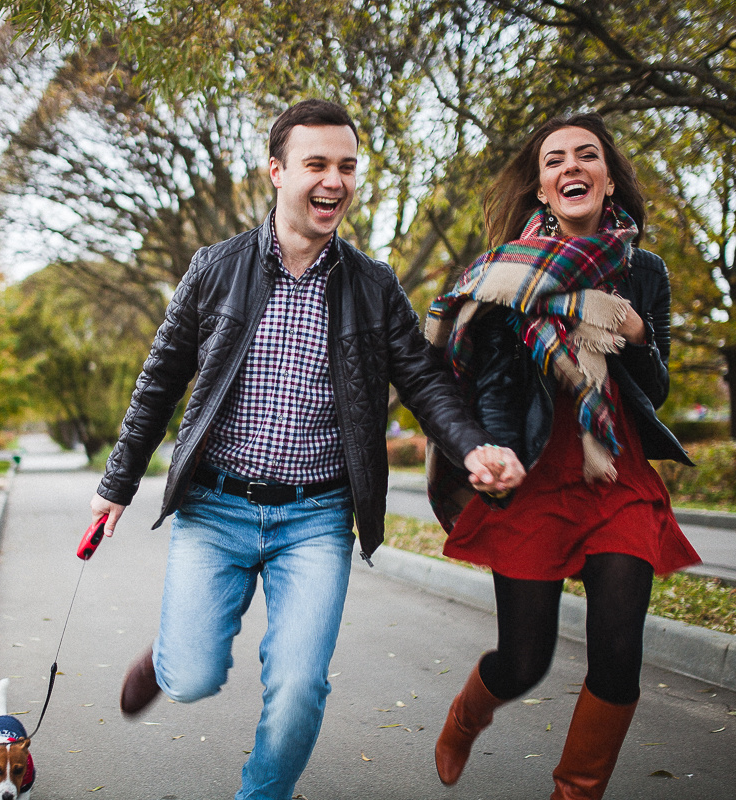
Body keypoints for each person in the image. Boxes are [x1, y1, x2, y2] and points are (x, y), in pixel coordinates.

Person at [89, 99, 525, 800]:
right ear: (277, 171)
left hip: (316, 518)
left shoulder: (373, 285)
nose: (335, 180)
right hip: (216, 506)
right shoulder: (215, 268)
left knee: (298, 685)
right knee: (194, 676)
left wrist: (472, 447)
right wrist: (117, 484)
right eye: (317, 164)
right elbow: (159, 382)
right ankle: (171, 662)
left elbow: (423, 377)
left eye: (347, 166)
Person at [425, 112, 700, 800]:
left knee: (617, 653)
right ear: (543, 189)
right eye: (555, 160)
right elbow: (492, 388)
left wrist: (637, 336)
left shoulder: (647, 270)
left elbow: (658, 389)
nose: (570, 167)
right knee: (524, 661)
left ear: (609, 181)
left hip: (616, 474)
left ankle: (575, 792)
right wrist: (493, 457)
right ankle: (467, 715)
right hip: (537, 479)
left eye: (587, 156)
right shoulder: (505, 277)